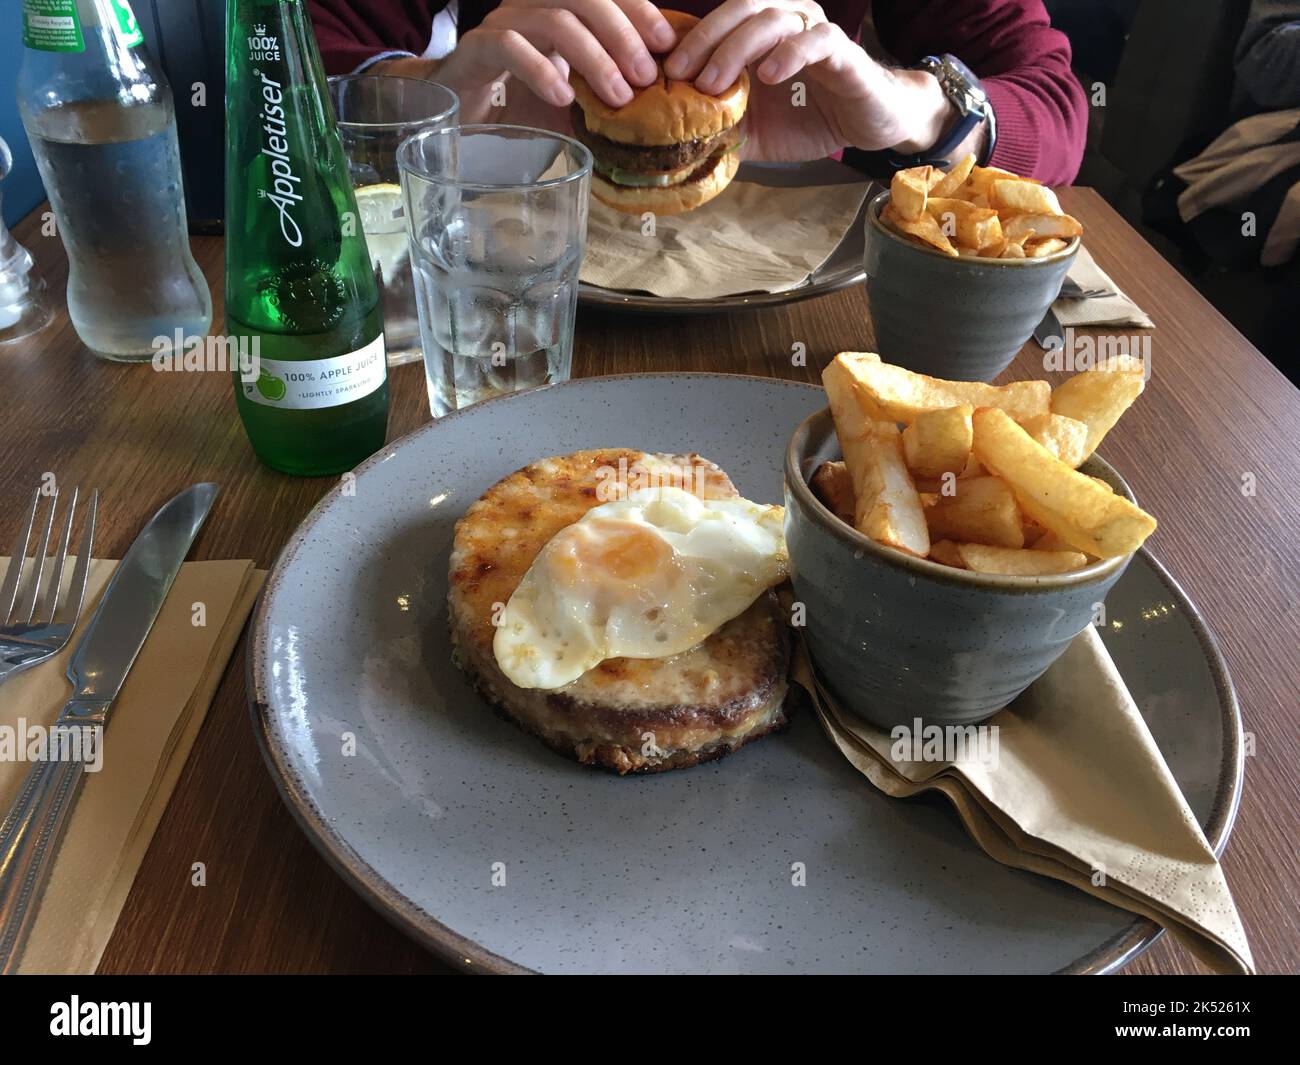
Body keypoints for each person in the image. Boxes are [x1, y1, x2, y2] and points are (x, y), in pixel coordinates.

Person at [309, 0, 1087, 185]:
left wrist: (916, 105)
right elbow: (295, 73)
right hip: (503, 283)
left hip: (806, 324)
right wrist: (439, 104)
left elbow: (1056, 106)